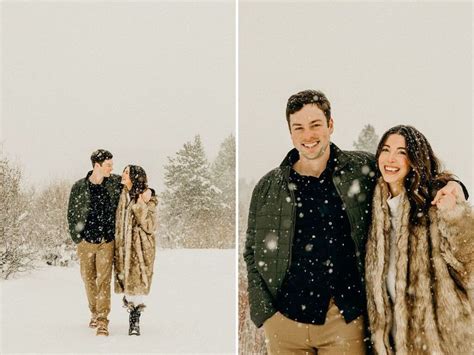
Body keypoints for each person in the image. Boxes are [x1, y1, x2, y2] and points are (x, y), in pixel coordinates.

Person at [243, 90, 467, 354]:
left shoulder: (361, 169)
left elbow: (410, 174)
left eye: (315, 125)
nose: (308, 135)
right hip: (285, 324)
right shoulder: (270, 187)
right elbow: (251, 252)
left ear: (330, 125)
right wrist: (266, 315)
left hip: (343, 320)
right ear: (290, 132)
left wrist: (454, 185)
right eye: (299, 127)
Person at [365, 125, 473, 354]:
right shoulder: (372, 205)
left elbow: (468, 260)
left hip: (442, 340)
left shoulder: (435, 202)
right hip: (392, 340)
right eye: (385, 149)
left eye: (402, 152)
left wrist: (454, 213)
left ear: (415, 159)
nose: (391, 158)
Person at [67, 149, 122, 336]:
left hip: (106, 241)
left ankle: (102, 320)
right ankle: (94, 311)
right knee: (88, 279)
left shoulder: (114, 183)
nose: (111, 168)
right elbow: (72, 213)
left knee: (103, 281)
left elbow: (136, 186)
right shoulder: (79, 187)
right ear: (97, 165)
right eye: (108, 165)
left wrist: (149, 191)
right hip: (86, 242)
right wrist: (78, 238)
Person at [114, 165, 158, 336]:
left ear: (134, 176)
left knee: (137, 283)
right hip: (122, 246)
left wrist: (140, 204)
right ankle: (130, 303)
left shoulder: (148, 198)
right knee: (126, 282)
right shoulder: (121, 194)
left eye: (126, 172)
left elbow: (150, 225)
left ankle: (135, 319)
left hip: (140, 247)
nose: (123, 175)